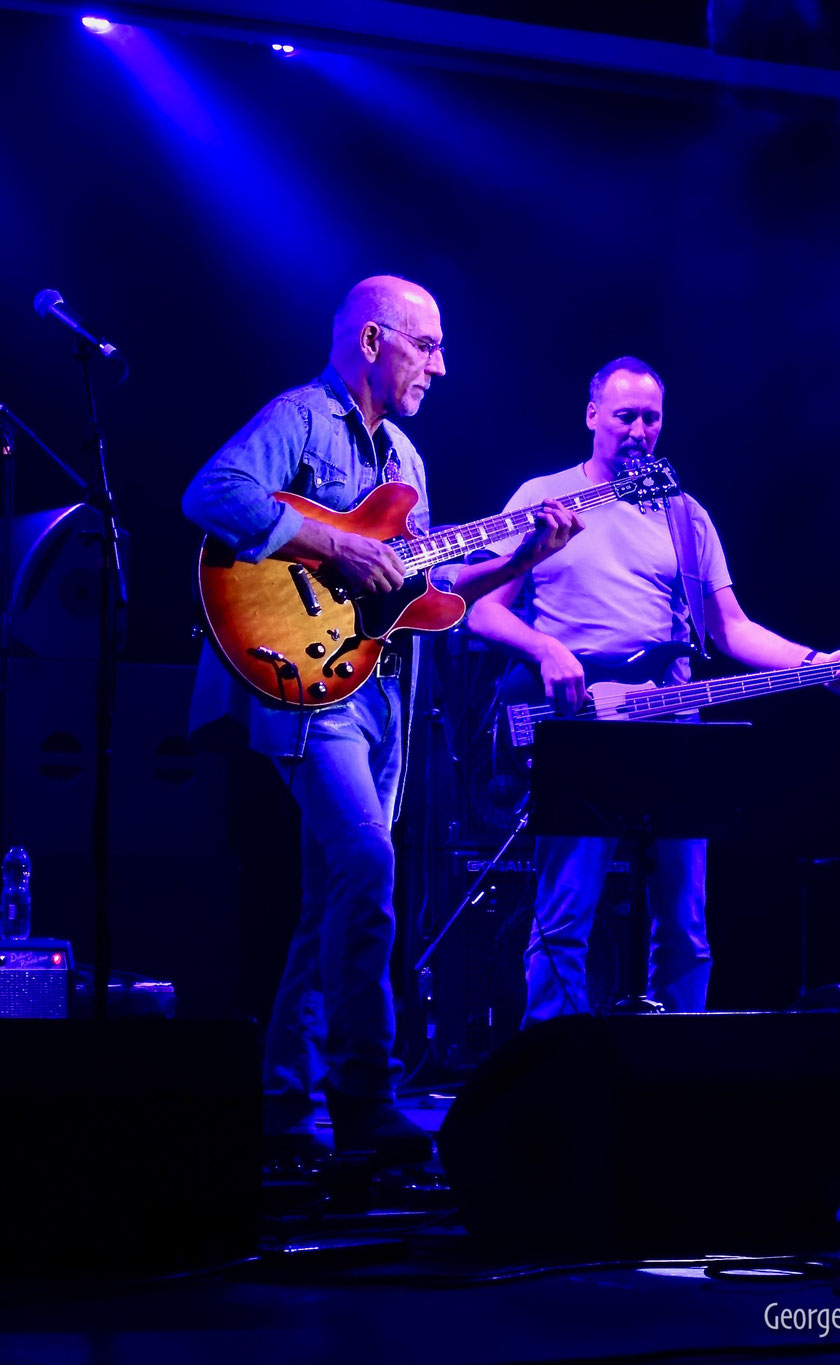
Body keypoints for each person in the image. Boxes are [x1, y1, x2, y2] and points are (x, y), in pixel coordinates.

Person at [182, 276, 581, 1161]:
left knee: (333, 894)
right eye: (426, 345)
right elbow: (212, 493)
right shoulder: (300, 416)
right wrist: (336, 542)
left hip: (375, 692)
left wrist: (523, 554)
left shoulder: (407, 460)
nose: (442, 365)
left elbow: (427, 599)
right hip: (299, 679)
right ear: (372, 341)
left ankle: (281, 1105)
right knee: (368, 862)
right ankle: (363, 1094)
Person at [466, 355, 840, 1023]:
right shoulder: (545, 499)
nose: (639, 429)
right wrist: (545, 649)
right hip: (581, 729)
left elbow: (731, 628)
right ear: (593, 415)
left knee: (685, 923)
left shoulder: (686, 517)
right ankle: (547, 1072)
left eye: (651, 417)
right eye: (625, 414)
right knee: (566, 914)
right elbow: (481, 605)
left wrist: (817, 660)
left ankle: (677, 1064)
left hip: (673, 731)